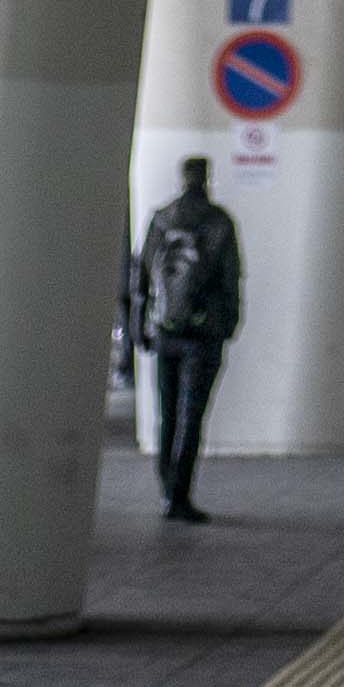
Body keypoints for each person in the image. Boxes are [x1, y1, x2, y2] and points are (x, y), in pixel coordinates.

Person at [138, 155, 244, 522]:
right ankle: (180, 496)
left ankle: (167, 489)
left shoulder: (161, 218)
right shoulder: (219, 222)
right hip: (204, 334)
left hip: (164, 330)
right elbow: (231, 278)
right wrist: (229, 324)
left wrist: (141, 326)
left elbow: (142, 275)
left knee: (167, 415)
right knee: (191, 417)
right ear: (207, 179)